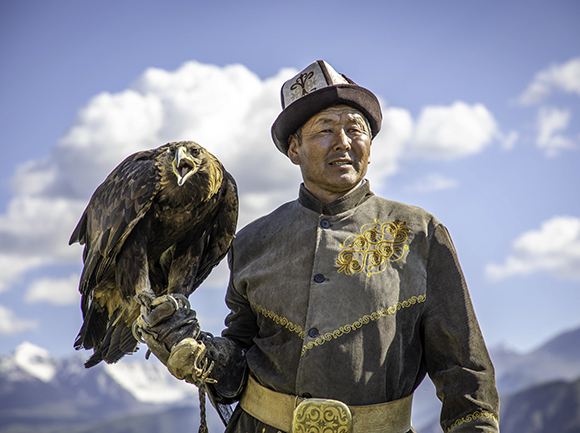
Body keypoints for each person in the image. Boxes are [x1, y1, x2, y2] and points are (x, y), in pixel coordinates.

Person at [137, 60, 500, 433]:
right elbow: (240, 365)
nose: (343, 141)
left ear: (370, 147)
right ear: (294, 150)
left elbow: (465, 375)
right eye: (325, 130)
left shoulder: (420, 233)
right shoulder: (251, 241)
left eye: (355, 129)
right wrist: (203, 356)